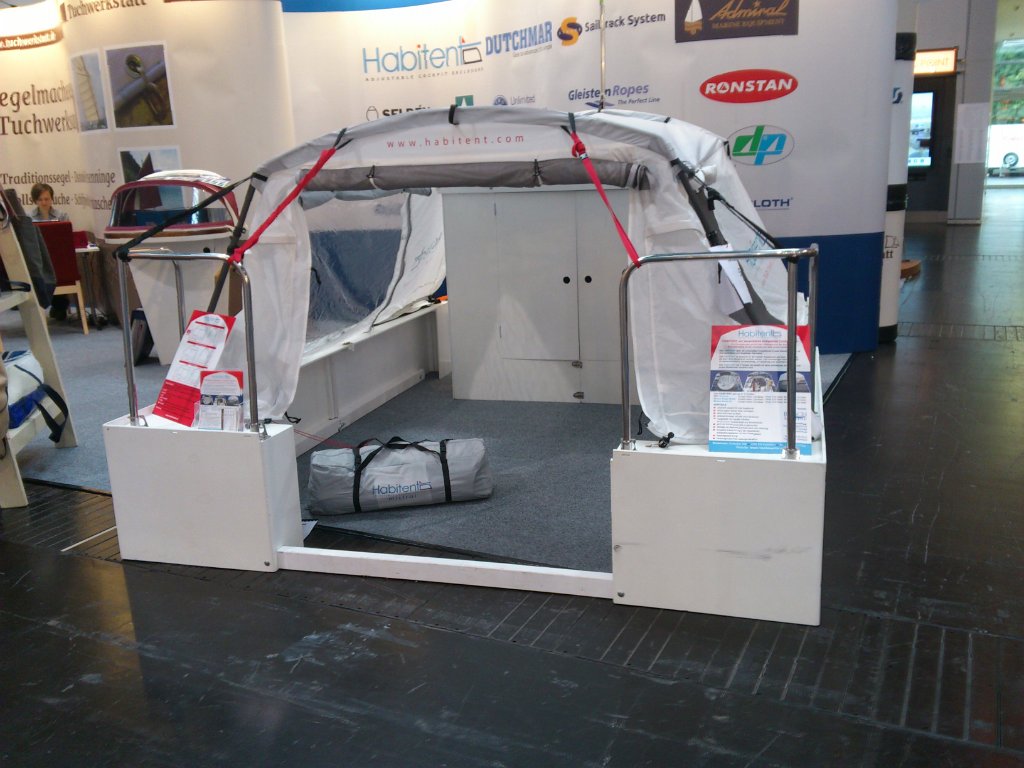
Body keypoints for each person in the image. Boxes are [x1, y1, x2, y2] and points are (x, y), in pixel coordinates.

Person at [29, 182, 71, 320]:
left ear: (52, 198)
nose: (44, 202)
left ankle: (59, 304)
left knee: (59, 267)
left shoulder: (62, 215)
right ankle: (56, 305)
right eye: (40, 199)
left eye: (47, 199)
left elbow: (67, 239)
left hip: (58, 257)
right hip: (39, 258)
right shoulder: (28, 218)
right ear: (35, 200)